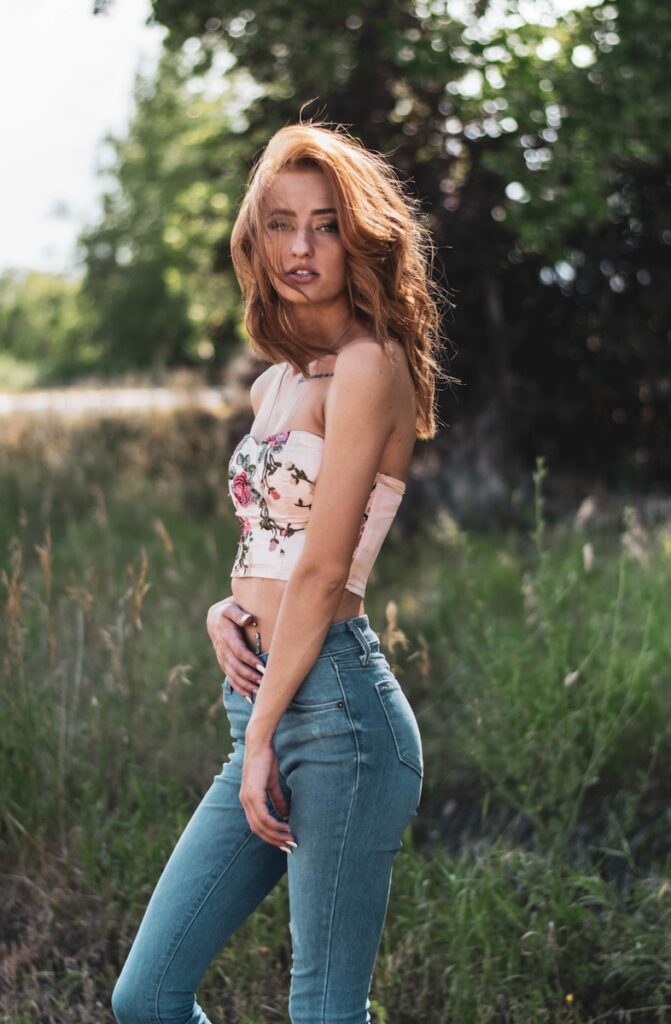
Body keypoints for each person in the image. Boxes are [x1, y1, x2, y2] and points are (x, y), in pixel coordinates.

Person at [111, 120, 450, 1024]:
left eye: (326, 224)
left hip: (335, 709)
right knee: (146, 997)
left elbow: (327, 567)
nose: (301, 247)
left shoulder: (371, 367)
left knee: (324, 1010)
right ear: (254, 237)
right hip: (265, 695)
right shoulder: (274, 382)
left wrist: (262, 737)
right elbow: (274, 544)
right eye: (280, 223)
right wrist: (227, 609)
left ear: (359, 236)